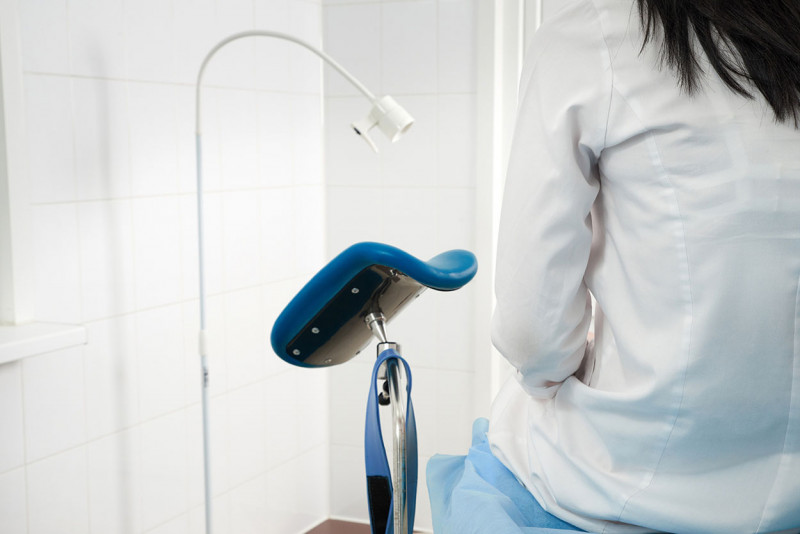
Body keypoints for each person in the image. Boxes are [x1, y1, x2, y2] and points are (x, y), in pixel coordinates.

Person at [487, 0, 800, 532]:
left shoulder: (592, 37)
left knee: (512, 411)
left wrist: (556, 374)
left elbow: (529, 332)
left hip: (639, 481)